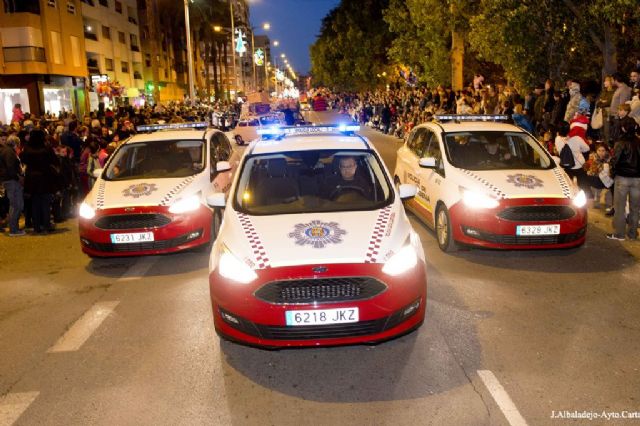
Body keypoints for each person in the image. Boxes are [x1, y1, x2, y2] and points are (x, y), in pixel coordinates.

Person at [20, 129, 59, 234]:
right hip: (45, 178)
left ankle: (37, 227)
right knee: (45, 204)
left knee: (35, 204)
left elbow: (23, 159)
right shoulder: (46, 148)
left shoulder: (27, 149)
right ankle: (46, 226)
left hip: (32, 179)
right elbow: (54, 160)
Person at [607, 126, 640, 240]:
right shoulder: (639, 141)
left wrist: (613, 173)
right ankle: (633, 234)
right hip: (637, 179)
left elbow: (615, 160)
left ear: (623, 128)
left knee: (619, 207)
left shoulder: (620, 143)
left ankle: (619, 234)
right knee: (635, 208)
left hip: (622, 178)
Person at [0, 132, 25, 236]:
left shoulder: (5, 150)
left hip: (9, 180)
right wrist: (18, 177)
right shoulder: (9, 152)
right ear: (15, 143)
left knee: (14, 205)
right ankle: (13, 230)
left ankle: (14, 228)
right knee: (16, 205)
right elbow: (11, 168)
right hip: (12, 181)